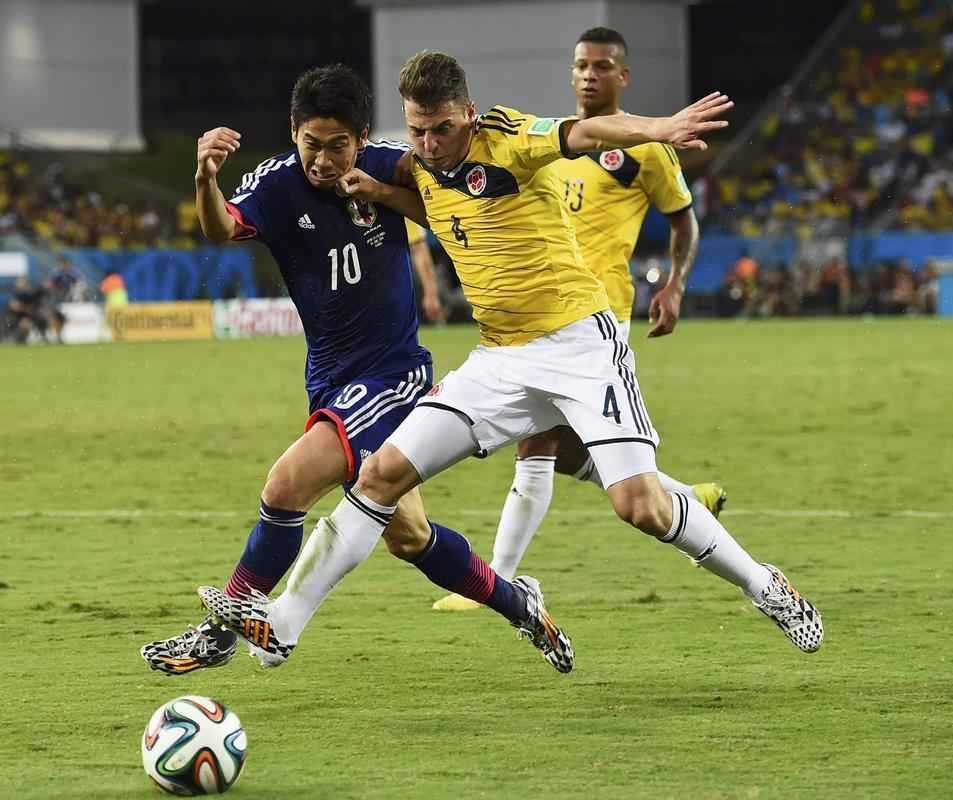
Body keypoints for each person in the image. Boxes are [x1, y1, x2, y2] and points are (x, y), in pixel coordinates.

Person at [198, 51, 823, 672]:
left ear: (468, 113)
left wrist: (660, 127)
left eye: (442, 128)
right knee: (381, 475)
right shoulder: (420, 167)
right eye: (418, 130)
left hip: (579, 346)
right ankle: (283, 624)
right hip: (499, 357)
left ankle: (762, 583)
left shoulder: (507, 137)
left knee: (641, 506)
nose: (430, 143)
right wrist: (384, 190)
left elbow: (583, 132)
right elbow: (444, 213)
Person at [141, 64, 566, 675]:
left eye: (337, 145)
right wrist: (206, 177)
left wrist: (389, 195)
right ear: (293, 133)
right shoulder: (276, 183)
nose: (322, 160)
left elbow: (450, 207)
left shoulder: (393, 165)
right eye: (310, 143)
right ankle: (519, 604)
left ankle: (220, 632)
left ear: (362, 138)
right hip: (329, 378)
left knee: (286, 485)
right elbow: (221, 228)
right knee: (409, 536)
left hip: (393, 375)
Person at [430, 27, 726, 612]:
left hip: (597, 314)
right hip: (542, 309)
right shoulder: (554, 143)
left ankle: (496, 583)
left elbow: (683, 220)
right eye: (582, 65)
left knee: (536, 442)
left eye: (602, 66)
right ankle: (689, 500)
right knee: (569, 453)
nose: (590, 75)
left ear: (624, 76)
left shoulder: (645, 149)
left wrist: (675, 284)